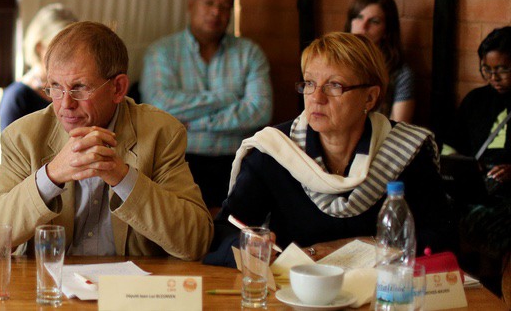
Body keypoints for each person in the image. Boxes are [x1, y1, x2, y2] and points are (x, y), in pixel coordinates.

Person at [0, 21, 213, 259]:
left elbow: (195, 241)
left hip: (130, 293)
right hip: (50, 291)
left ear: (118, 88)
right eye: (55, 87)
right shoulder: (23, 137)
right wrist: (50, 175)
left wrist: (122, 177)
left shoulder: (161, 133)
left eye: (79, 88)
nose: (66, 104)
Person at [206, 32, 453, 265]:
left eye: (334, 85)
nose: (317, 97)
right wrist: (250, 247)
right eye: (310, 83)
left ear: (370, 98)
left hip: (381, 293)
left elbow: (441, 236)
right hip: (295, 292)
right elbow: (225, 229)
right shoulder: (277, 151)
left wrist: (345, 248)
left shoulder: (405, 151)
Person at [140, 0, 272, 207]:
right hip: (179, 160)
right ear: (191, 5)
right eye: (209, 3)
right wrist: (226, 98)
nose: (216, 12)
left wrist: (199, 124)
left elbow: (260, 110)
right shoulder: (162, 52)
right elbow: (160, 104)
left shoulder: (249, 53)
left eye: (224, 7)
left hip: (237, 159)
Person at [445, 27, 511, 197]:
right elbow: (450, 145)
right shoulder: (476, 100)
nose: (494, 77)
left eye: (503, 69)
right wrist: (463, 165)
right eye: (487, 69)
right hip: (478, 182)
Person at [0, 3, 78, 131]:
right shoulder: (16, 98)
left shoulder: (78, 91)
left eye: (74, 48)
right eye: (61, 49)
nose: (70, 55)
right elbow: (10, 150)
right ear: (39, 48)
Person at [347, 0, 415, 122]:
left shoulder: (400, 74)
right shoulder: (335, 63)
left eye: (374, 21)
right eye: (359, 17)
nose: (363, 26)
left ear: (387, 30)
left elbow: (398, 127)